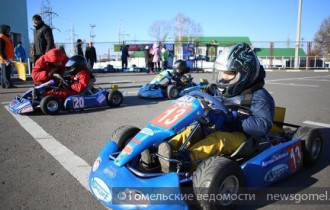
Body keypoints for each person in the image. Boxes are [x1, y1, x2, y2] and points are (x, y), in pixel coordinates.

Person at [158, 43, 275, 173]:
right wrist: (208, 111)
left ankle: (184, 161)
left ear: (245, 73)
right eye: (222, 73)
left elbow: (262, 125)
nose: (223, 77)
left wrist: (234, 118)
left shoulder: (259, 96)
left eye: (229, 73)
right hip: (222, 126)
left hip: (245, 138)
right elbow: (217, 106)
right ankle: (164, 151)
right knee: (193, 130)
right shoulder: (224, 91)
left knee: (218, 140)